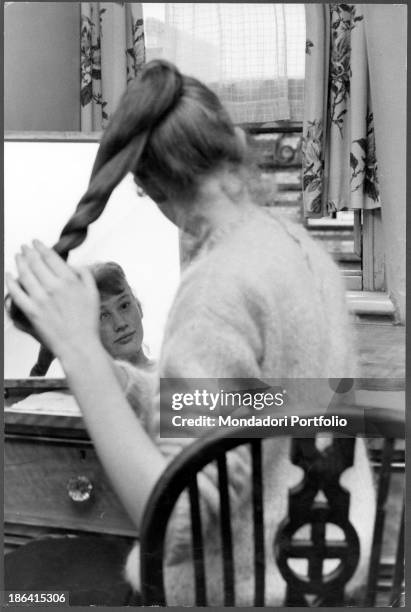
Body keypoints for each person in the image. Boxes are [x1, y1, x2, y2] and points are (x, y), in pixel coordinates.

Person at [6, 59, 375, 606]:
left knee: (26, 589)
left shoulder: (216, 291)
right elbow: (254, 413)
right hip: (324, 574)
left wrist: (83, 354)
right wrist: (111, 370)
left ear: (150, 186)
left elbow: (177, 525)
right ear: (230, 141)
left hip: (244, 590)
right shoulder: (300, 251)